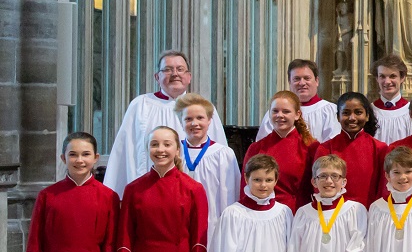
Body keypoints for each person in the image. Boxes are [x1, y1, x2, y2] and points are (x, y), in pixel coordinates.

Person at [104, 49, 227, 195]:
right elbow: (124, 151)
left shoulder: (203, 108)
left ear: (189, 77)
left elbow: (218, 152)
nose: (175, 74)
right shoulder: (141, 105)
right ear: (157, 77)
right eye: (168, 70)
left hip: (191, 192)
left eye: (180, 69)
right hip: (147, 191)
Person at [243, 92, 317, 210]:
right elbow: (245, 186)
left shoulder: (311, 147)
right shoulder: (256, 148)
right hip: (264, 213)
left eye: (286, 111)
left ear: (297, 114)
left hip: (298, 212)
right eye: (275, 111)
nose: (279, 115)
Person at [175, 94, 240, 228]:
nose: (194, 123)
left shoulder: (223, 154)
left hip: (212, 222)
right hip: (178, 221)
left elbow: (230, 195)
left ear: (209, 120)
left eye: (200, 118)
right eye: (188, 119)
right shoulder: (174, 153)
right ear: (180, 121)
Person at [314, 93, 390, 207]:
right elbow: (320, 186)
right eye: (346, 113)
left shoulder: (380, 148)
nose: (352, 118)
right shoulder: (325, 148)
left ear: (367, 116)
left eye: (358, 112)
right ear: (338, 117)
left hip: (369, 212)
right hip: (334, 213)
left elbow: (383, 187)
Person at [255, 59, 339, 143]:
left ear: (316, 81)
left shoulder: (330, 111)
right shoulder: (276, 112)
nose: (302, 83)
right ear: (289, 82)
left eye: (307, 78)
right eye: (296, 79)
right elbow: (263, 146)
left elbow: (332, 147)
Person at [371, 54, 412, 143]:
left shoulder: (410, 111)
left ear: (402, 78)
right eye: (382, 76)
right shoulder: (370, 110)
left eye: (392, 76)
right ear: (377, 78)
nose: (387, 82)